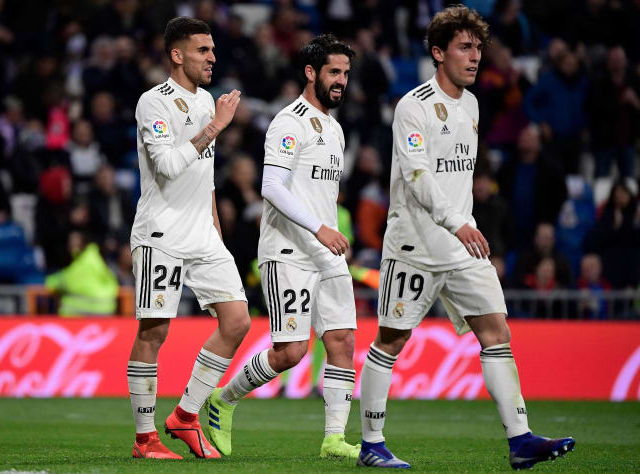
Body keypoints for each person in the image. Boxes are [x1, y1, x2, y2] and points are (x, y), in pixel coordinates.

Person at [358, 6, 575, 469]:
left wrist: (462, 226)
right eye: (464, 47)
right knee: (391, 340)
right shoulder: (412, 106)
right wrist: (456, 221)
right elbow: (417, 176)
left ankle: (521, 440)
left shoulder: (472, 105)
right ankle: (371, 444)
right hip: (414, 246)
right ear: (439, 53)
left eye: (478, 47)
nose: (475, 56)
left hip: (462, 247)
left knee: (496, 332)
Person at [205, 34, 360, 460]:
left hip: (326, 253)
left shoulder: (335, 129)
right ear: (310, 72)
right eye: (333, 72)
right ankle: (223, 399)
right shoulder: (288, 122)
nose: (341, 81)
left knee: (342, 341)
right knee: (291, 352)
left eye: (346, 73)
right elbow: (272, 187)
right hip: (289, 251)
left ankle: (333, 439)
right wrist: (320, 229)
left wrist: (327, 233)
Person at [127, 17, 250, 461]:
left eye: (213, 50)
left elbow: (205, 175)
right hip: (161, 232)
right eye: (203, 50)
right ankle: (145, 439)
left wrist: (216, 228)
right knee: (154, 329)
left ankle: (185, 415)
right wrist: (215, 126)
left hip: (203, 235)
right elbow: (166, 166)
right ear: (177, 55)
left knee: (237, 321)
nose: (212, 57)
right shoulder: (153, 102)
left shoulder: (206, 103)